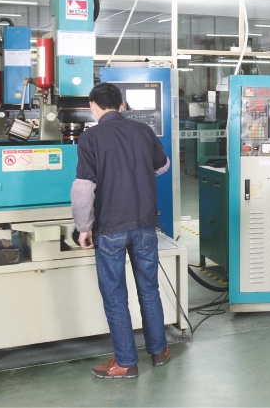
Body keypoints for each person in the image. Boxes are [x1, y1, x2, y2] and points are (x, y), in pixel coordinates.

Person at [72, 82, 173, 378]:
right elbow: (163, 165)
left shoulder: (90, 137)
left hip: (110, 228)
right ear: (122, 105)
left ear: (92, 106)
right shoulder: (143, 131)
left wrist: (83, 227)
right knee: (149, 289)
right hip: (145, 225)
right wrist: (135, 169)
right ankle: (159, 351)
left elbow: (83, 188)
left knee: (115, 295)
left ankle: (126, 363)